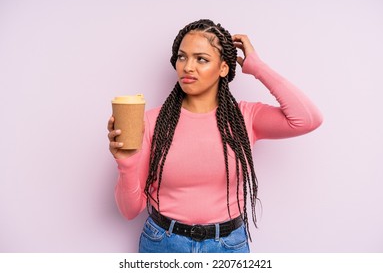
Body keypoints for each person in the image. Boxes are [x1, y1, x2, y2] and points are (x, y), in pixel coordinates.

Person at [107, 19, 323, 253]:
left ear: (223, 68)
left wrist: (257, 67)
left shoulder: (245, 117)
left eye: (201, 59)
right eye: (182, 57)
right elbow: (129, 211)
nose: (188, 67)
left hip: (228, 246)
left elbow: (308, 118)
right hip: (163, 244)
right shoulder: (150, 121)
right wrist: (126, 161)